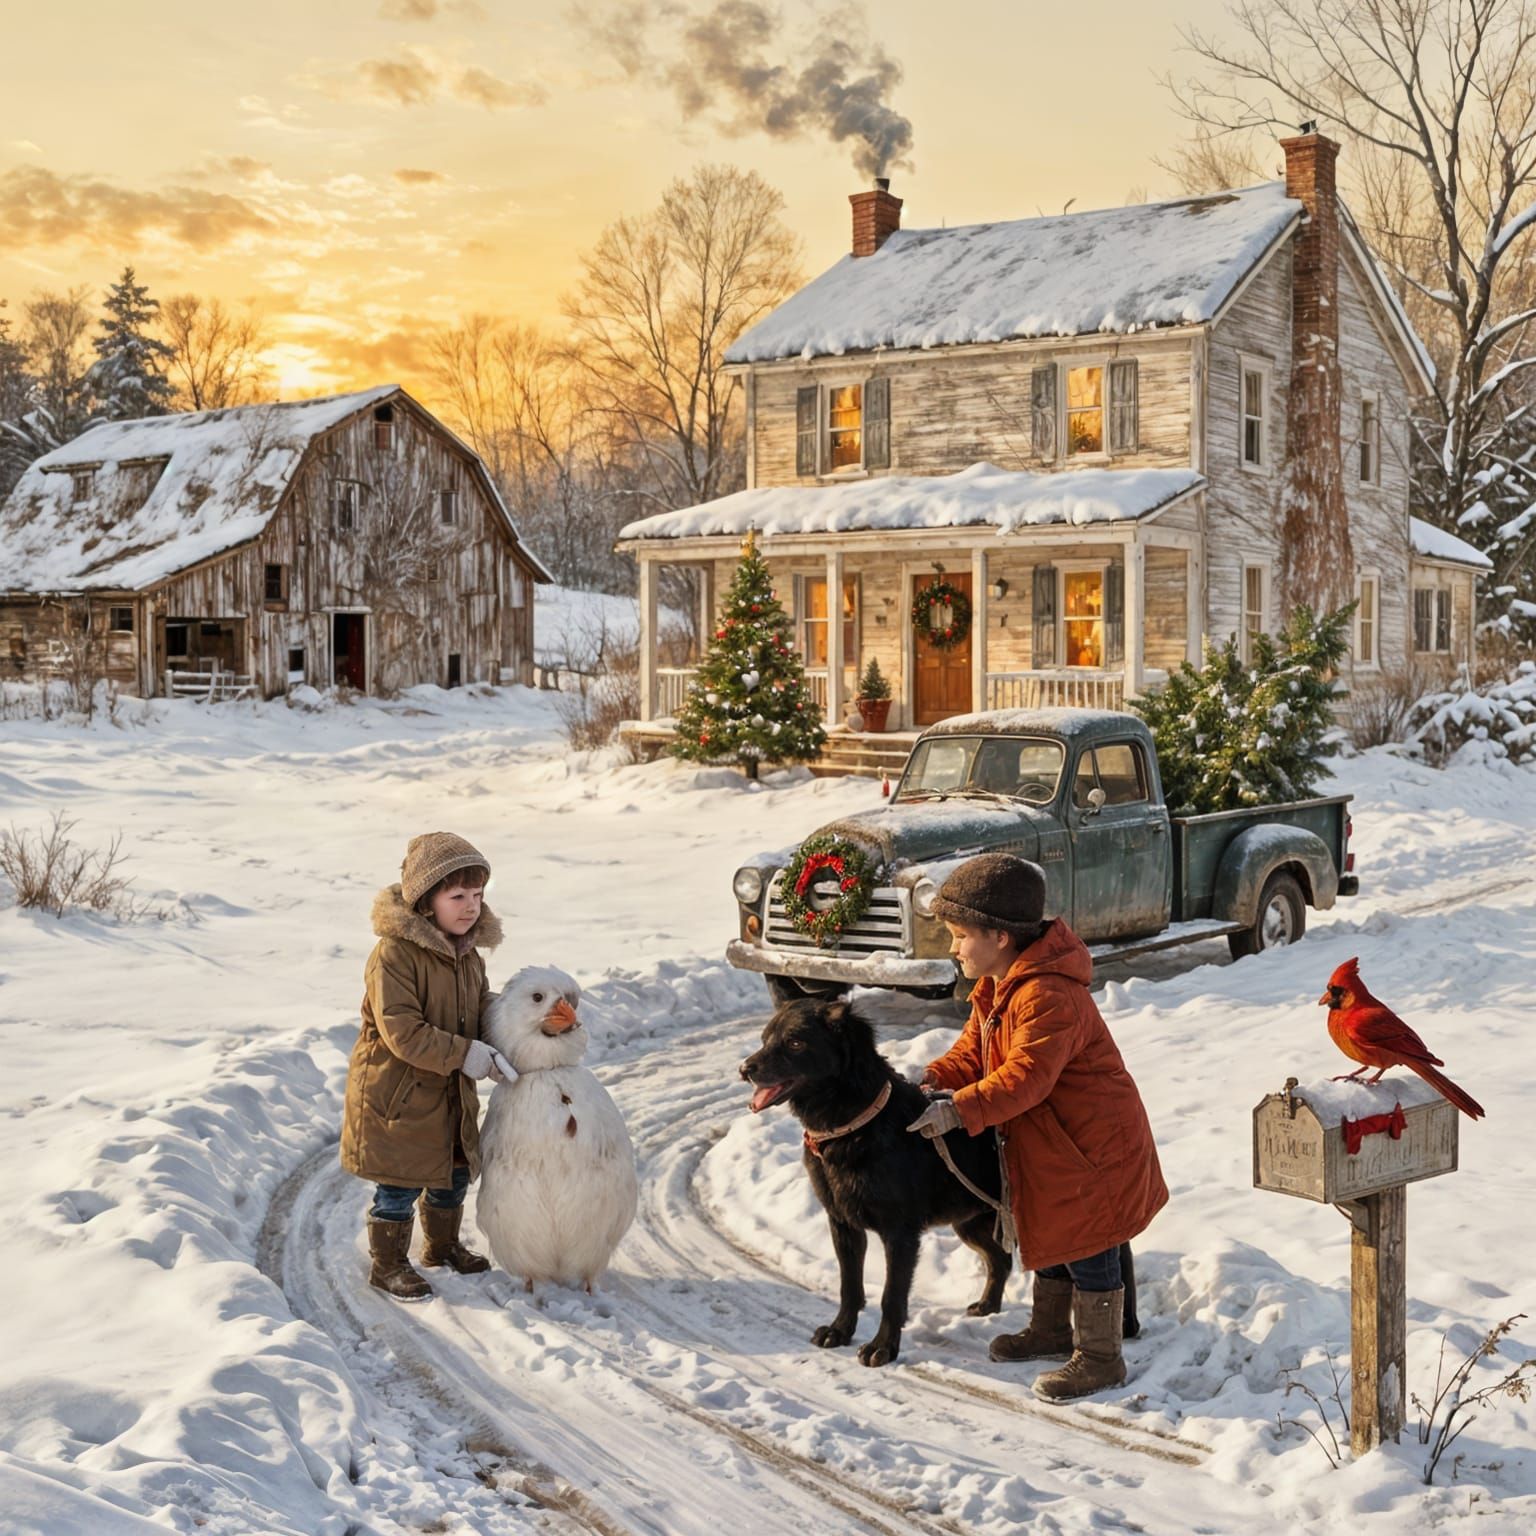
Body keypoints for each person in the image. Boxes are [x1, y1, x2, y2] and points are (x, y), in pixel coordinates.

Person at [907, 853, 1167, 1400]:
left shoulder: (1048, 995)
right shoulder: (999, 985)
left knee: (1089, 1245)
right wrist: (932, 1079)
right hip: (1052, 1142)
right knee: (1051, 1232)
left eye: (960, 936)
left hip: (1089, 1147)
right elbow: (973, 1054)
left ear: (999, 936)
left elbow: (1025, 1078)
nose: (953, 948)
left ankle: (1101, 1357)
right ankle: (1051, 1329)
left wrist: (959, 1109)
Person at [341, 831, 511, 1300]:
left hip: (449, 1090)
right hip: (399, 1094)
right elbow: (403, 1031)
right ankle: (388, 1264)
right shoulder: (394, 955)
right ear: (425, 900)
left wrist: (516, 1022)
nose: (471, 906)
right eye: (458, 897)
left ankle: (443, 1245)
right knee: (398, 1185)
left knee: (452, 1174)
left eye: (477, 895)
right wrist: (467, 1055)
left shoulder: (468, 954)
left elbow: (479, 1009)